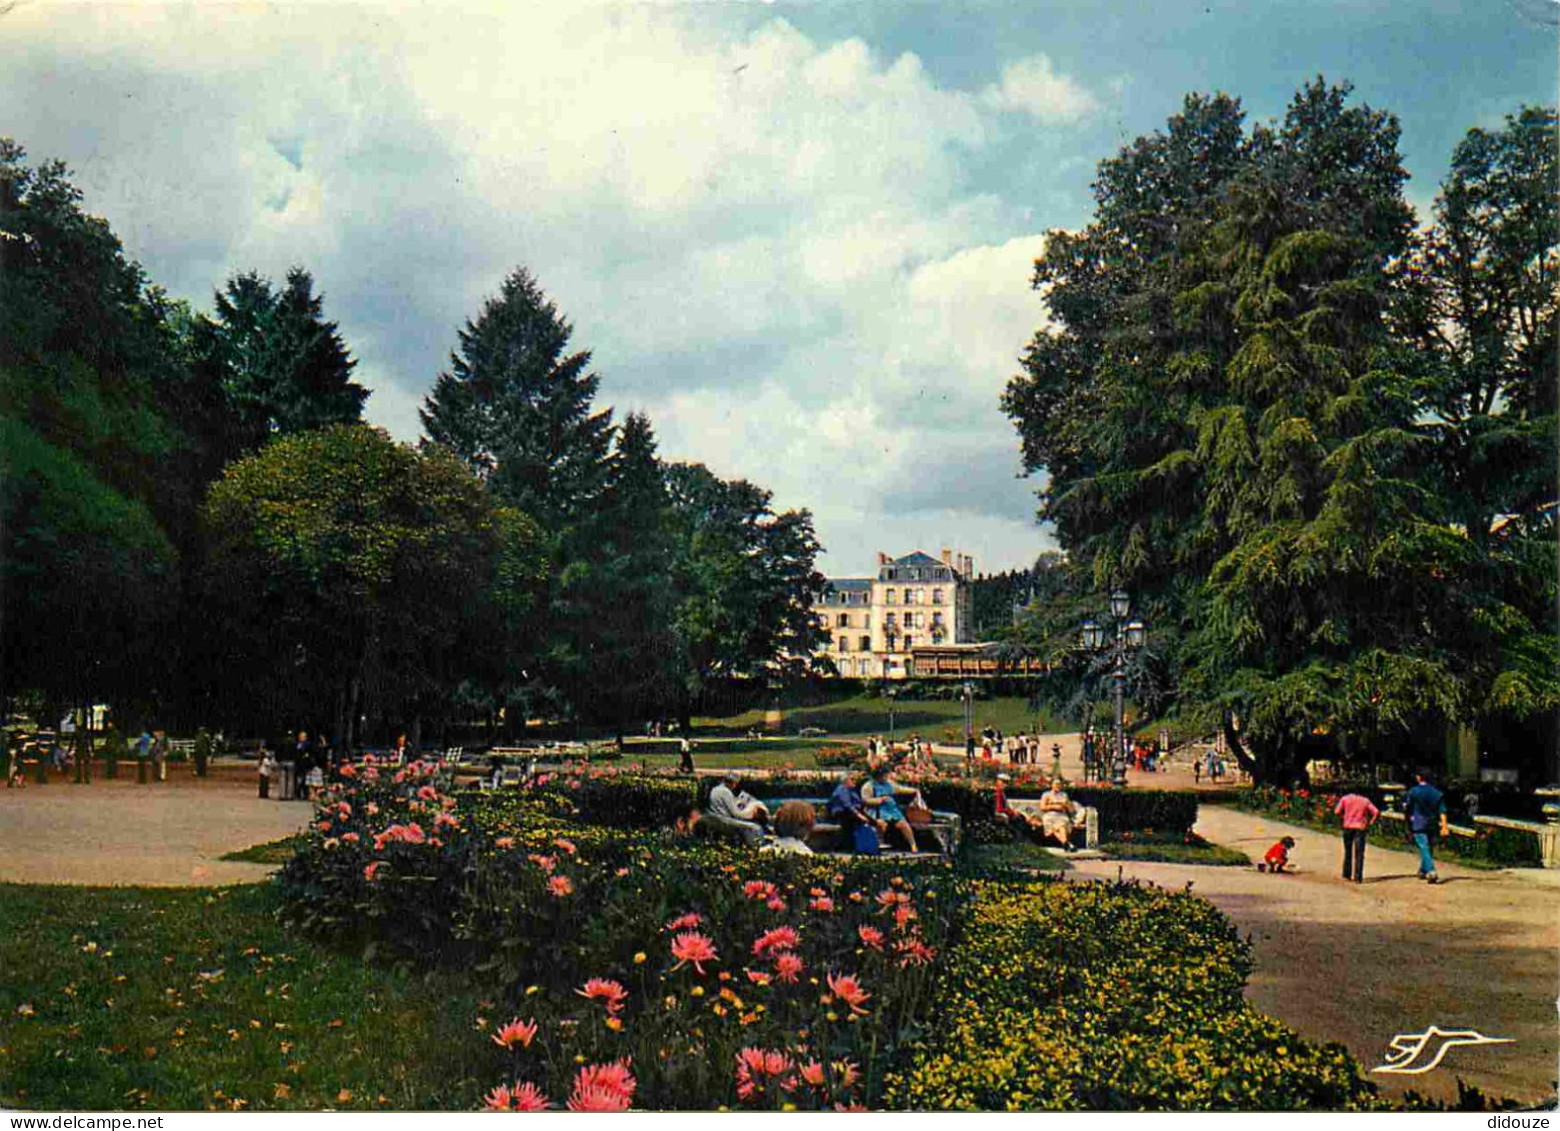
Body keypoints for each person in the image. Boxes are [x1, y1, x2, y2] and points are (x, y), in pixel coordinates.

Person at [861, 764, 920, 852]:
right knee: (882, 824)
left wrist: (913, 790)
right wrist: (880, 800)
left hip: (891, 810)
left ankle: (913, 845)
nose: (887, 776)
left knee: (904, 825)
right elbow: (865, 800)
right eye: (885, 774)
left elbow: (900, 789)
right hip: (876, 809)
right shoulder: (869, 786)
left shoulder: (889, 784)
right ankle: (879, 843)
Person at [1404, 770, 1449, 883]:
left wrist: (1408, 819)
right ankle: (1423, 870)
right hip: (1432, 822)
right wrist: (1444, 826)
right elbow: (1442, 810)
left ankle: (1431, 871)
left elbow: (1408, 807)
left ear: (1419, 778)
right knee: (1429, 847)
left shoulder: (1414, 791)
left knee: (1424, 846)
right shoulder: (1436, 793)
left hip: (1419, 822)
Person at [828, 771, 885, 855]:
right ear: (845, 780)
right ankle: (862, 846)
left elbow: (858, 804)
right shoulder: (842, 789)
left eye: (855, 779)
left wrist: (862, 814)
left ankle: (873, 843)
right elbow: (848, 806)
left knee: (870, 820)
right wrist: (860, 816)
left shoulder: (852, 790)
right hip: (842, 813)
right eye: (852, 779)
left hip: (854, 812)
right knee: (858, 819)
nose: (854, 781)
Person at [706, 771, 769, 846]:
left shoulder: (715, 789)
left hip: (717, 818)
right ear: (733, 783)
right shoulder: (726, 792)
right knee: (756, 828)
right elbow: (736, 814)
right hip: (725, 821)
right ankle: (758, 845)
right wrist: (751, 812)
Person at [1333, 787, 1380, 883]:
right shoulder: (1365, 801)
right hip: (1360, 827)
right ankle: (1358, 876)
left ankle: (1347, 874)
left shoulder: (1345, 799)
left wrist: (1343, 817)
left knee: (1348, 851)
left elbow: (1337, 811)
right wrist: (1371, 822)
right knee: (1359, 853)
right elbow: (1376, 812)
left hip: (1348, 826)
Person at [1037, 778, 1077, 849]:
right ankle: (1067, 844)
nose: (1058, 786)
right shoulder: (1046, 794)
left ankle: (1066, 844)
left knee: (1060, 827)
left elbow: (1070, 809)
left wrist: (1066, 805)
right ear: (1052, 785)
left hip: (1061, 815)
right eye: (1056, 784)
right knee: (1059, 827)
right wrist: (1054, 807)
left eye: (1059, 784)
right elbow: (1042, 807)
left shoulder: (1064, 795)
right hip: (1050, 815)